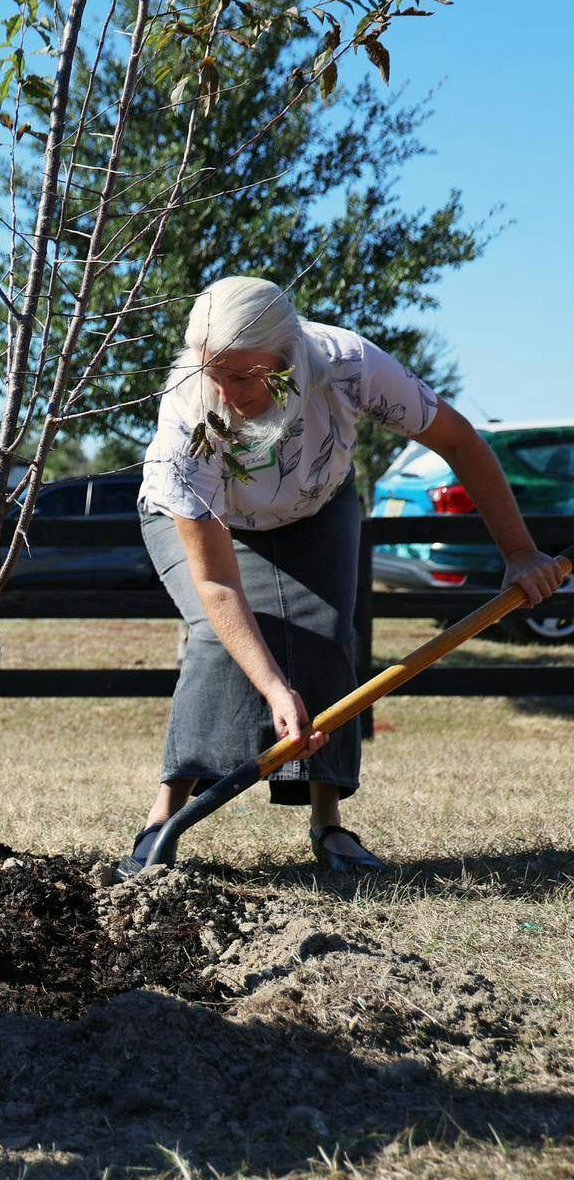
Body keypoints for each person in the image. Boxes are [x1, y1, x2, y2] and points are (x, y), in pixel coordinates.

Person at [127, 277, 566, 874]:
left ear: (288, 355)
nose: (225, 394)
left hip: (314, 502)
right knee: (218, 637)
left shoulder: (349, 366)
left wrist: (519, 551)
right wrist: (276, 689)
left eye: (245, 377)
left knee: (330, 635)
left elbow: (460, 441)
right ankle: (162, 823)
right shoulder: (188, 418)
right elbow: (219, 586)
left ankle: (328, 825)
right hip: (204, 517)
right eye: (214, 373)